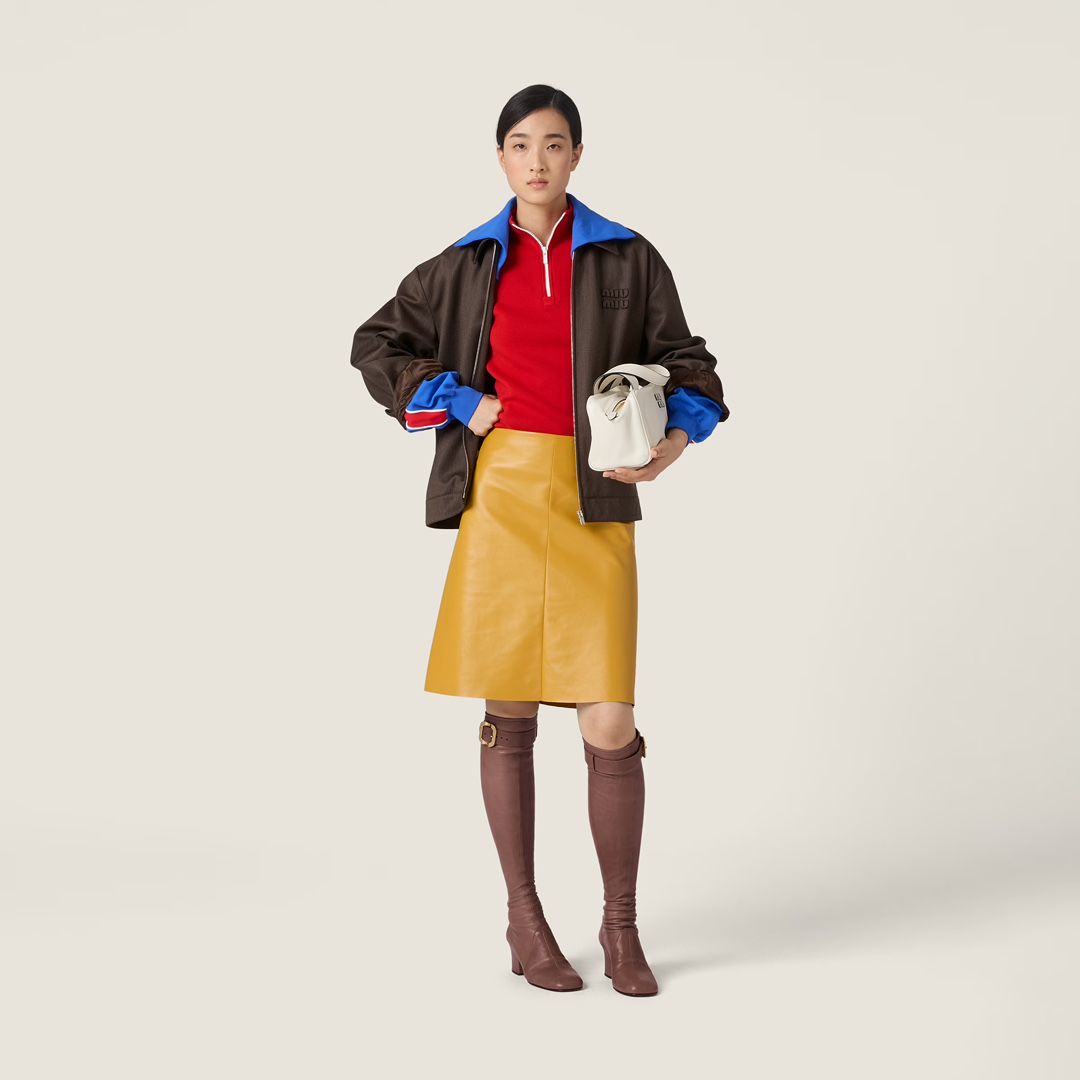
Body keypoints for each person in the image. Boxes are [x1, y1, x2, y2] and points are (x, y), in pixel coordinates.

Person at [350, 84, 729, 996]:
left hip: (596, 491)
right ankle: (525, 921)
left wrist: (674, 441)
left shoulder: (628, 256)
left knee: (611, 720)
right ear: (500, 157)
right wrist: (458, 399)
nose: (536, 160)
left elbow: (692, 365)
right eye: (520, 145)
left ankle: (620, 927)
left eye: (553, 144)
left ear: (577, 156)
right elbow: (376, 343)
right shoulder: (465, 262)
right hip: (504, 494)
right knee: (509, 710)